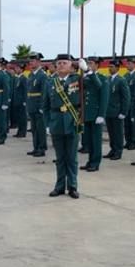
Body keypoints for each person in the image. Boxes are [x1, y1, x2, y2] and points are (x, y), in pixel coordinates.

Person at [43, 54, 82, 199]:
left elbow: (96, 84)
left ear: (71, 65)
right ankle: (59, 187)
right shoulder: (50, 82)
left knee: (71, 158)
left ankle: (72, 186)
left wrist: (87, 71)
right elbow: (45, 105)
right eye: (58, 63)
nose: (61, 65)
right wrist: (47, 124)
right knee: (60, 158)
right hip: (56, 122)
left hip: (72, 122)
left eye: (64, 63)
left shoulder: (78, 80)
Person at [79, 57, 107, 172]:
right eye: (87, 63)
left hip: (96, 114)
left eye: (90, 63)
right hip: (87, 113)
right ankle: (90, 161)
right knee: (89, 140)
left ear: (97, 65)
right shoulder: (86, 77)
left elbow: (103, 96)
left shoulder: (102, 78)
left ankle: (95, 163)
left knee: (96, 141)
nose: (88, 65)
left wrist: (101, 114)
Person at [103, 59, 130, 161]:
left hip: (117, 111)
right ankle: (112, 149)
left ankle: (118, 151)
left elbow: (126, 97)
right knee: (111, 132)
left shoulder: (121, 80)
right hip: (109, 111)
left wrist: (124, 111)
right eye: (109, 67)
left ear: (117, 68)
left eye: (112, 67)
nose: (110, 68)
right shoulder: (108, 79)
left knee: (118, 133)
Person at [26, 52, 48, 157]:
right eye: (30, 61)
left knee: (40, 129)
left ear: (39, 62)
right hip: (32, 104)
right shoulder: (31, 75)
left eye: (33, 61)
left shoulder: (42, 75)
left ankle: (42, 148)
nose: (31, 63)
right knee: (34, 128)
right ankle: (35, 147)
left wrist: (42, 106)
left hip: (38, 105)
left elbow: (44, 92)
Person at [123, 57, 135, 150]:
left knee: (133, 123)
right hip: (126, 103)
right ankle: (128, 140)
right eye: (127, 63)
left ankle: (134, 141)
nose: (128, 65)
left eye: (130, 64)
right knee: (126, 123)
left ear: (134, 64)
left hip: (133, 103)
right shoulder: (125, 76)